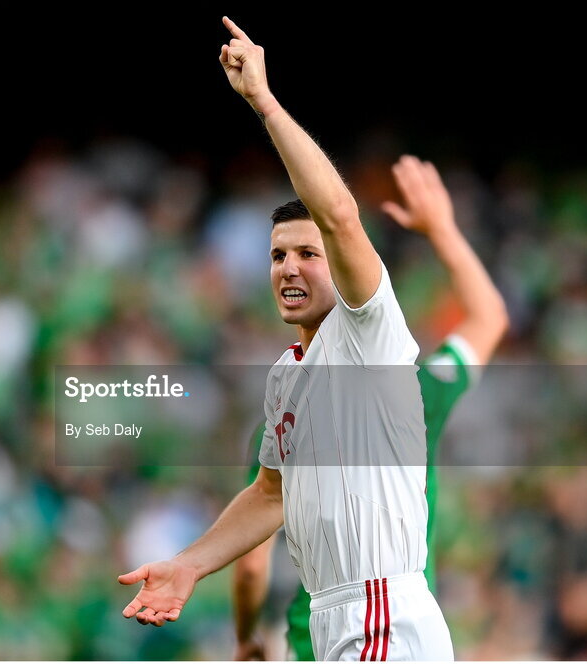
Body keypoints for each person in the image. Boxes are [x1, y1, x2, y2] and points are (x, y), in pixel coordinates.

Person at [119, 18, 453, 660]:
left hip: (382, 611)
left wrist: (264, 103)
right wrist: (191, 564)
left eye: (308, 253)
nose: (289, 267)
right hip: (334, 616)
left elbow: (340, 215)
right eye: (277, 256)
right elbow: (270, 494)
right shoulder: (287, 373)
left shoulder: (368, 331)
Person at [231, 156, 509, 660]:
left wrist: (247, 635)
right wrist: (442, 230)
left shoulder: (281, 418)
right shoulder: (421, 391)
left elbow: (252, 563)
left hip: (316, 629)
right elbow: (488, 317)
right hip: (399, 619)